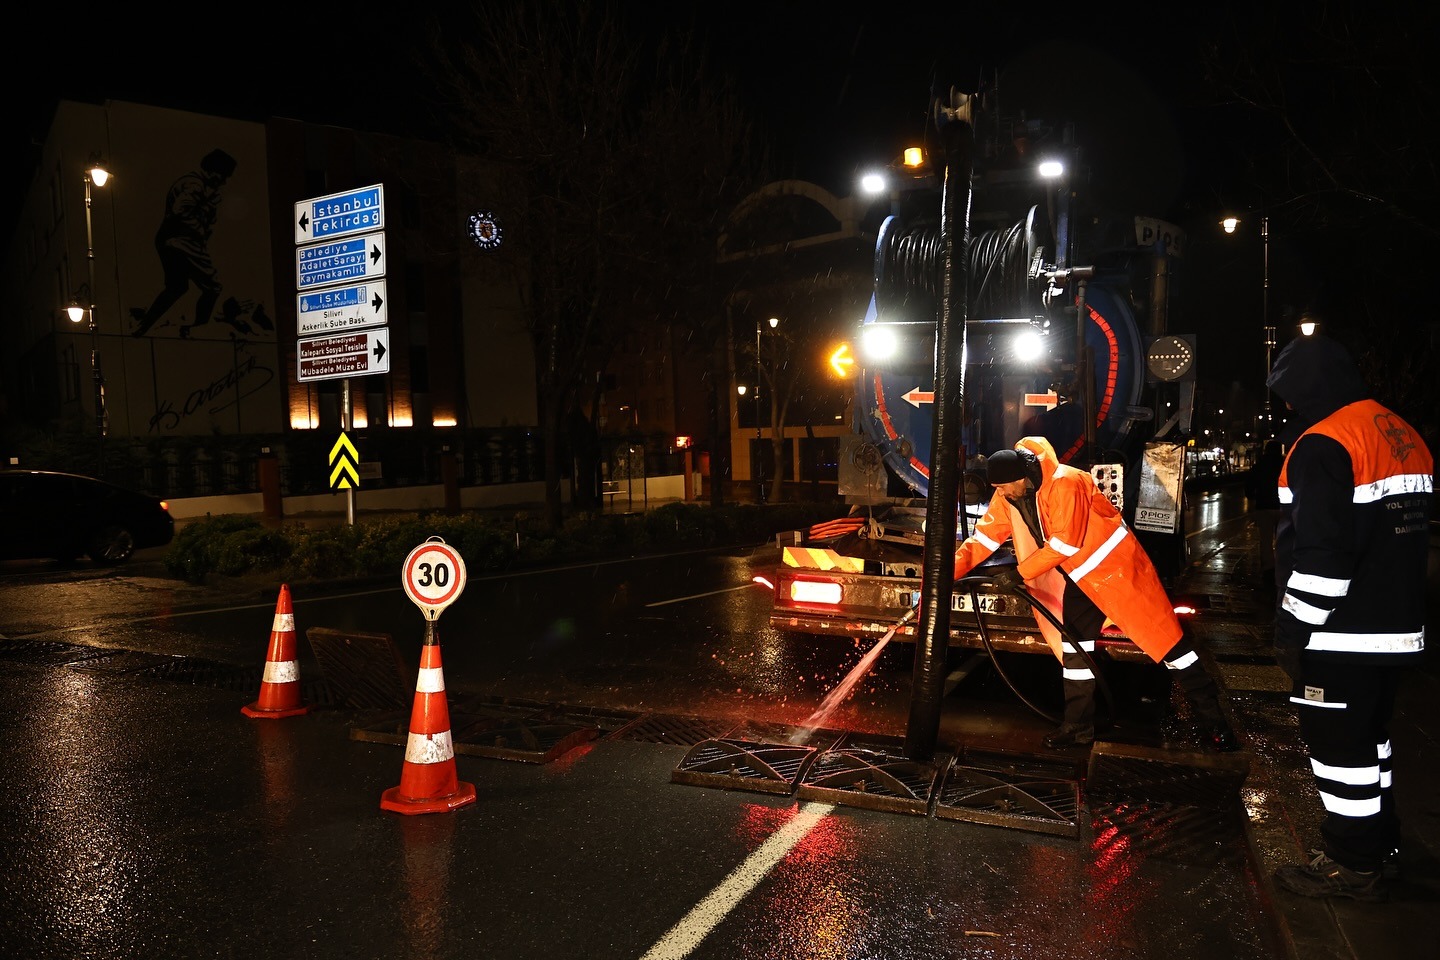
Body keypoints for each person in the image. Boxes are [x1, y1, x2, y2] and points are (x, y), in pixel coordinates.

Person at [1265, 331, 1433, 902]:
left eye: (1288, 394)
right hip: (1396, 629)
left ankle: (1350, 862)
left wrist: (1293, 628)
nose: (1287, 406)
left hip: (1341, 634)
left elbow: (1322, 558)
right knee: (1371, 742)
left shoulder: (1323, 444)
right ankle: (1380, 843)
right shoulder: (1400, 432)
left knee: (1339, 750)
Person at [952, 436, 1238, 751]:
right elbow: (985, 538)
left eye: (1004, 487)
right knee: (1075, 647)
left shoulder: (1067, 482)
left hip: (1119, 573)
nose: (1001, 494)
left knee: (1170, 646)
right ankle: (1077, 726)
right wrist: (945, 573)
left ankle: (1216, 725)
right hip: (1081, 578)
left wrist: (1018, 574)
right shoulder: (1012, 494)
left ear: (1021, 476)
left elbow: (1065, 543)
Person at [130, 148, 237, 338]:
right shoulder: (195, 185)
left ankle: (143, 325)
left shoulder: (199, 186)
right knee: (213, 286)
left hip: (169, 241)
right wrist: (200, 230)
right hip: (184, 242)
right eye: (223, 175)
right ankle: (200, 328)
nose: (224, 181)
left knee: (177, 287)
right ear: (214, 170)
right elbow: (181, 211)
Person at [1245, 439, 1284, 586]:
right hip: (1282, 507)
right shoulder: (1285, 464)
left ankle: (1268, 568)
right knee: (1283, 538)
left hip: (1264, 507)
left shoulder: (1259, 466)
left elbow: (1249, 485)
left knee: (1266, 540)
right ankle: (1283, 566)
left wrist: (1252, 496)